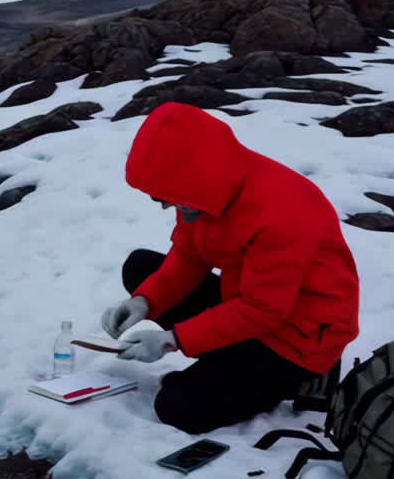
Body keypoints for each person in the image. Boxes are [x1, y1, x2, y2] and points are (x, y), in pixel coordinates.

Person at [101, 102, 360, 434]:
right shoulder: (203, 190)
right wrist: (144, 301)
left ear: (191, 177)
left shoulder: (282, 211)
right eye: (158, 197)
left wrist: (174, 339)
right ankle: (227, 363)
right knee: (141, 268)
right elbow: (188, 257)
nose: (166, 204)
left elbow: (262, 310)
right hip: (247, 303)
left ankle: (305, 377)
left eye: (166, 196)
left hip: (299, 335)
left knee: (178, 406)